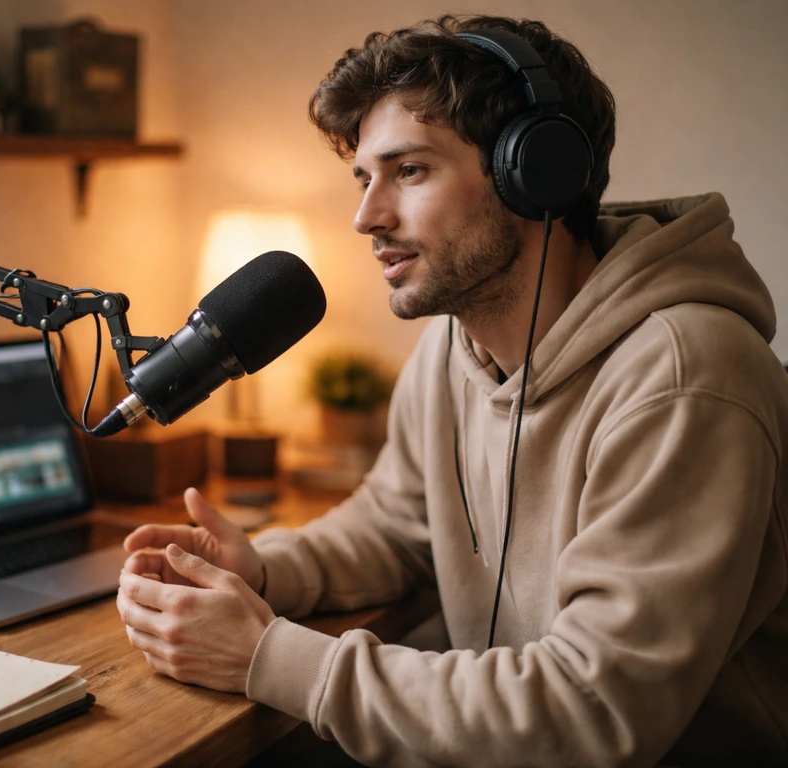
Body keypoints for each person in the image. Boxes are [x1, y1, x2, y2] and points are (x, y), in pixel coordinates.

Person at [116, 14, 788, 767]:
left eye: (409, 171)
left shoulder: (684, 376)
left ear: (534, 174)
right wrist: (269, 570)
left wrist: (266, 656)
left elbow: (593, 711)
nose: (367, 217)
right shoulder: (453, 347)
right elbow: (396, 524)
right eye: (364, 178)